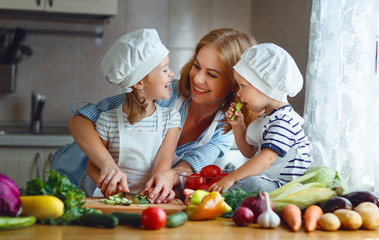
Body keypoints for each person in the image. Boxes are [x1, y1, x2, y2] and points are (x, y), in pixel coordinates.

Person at [51, 28, 259, 203]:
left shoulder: (226, 126)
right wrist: (107, 165)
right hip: (80, 180)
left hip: (131, 197)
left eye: (212, 74)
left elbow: (192, 163)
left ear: (235, 83)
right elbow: (80, 120)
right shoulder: (164, 93)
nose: (197, 79)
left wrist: (169, 177)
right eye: (197, 66)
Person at [83, 28, 181, 197]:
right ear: (139, 83)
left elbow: (163, 165)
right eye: (165, 70)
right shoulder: (108, 120)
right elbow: (92, 166)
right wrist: (109, 186)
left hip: (148, 199)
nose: (171, 73)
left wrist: (152, 191)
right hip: (111, 199)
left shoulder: (170, 118)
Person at [209, 43, 312, 194]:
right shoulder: (267, 118)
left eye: (243, 86)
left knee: (249, 183)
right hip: (271, 181)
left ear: (265, 86)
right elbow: (250, 152)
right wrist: (238, 126)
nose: (238, 93)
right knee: (245, 181)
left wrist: (231, 178)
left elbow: (266, 159)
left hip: (284, 187)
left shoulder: (283, 121)